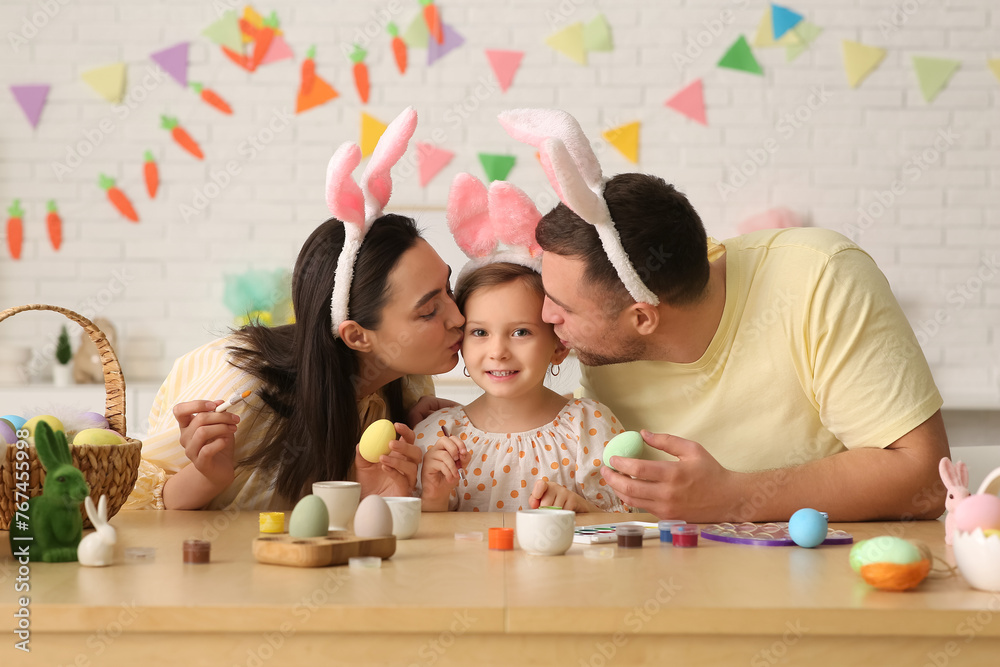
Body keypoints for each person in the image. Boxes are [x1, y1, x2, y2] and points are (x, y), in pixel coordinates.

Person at [498, 108, 950, 523]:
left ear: (643, 318)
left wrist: (733, 497)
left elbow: (925, 478)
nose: (544, 315)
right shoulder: (603, 351)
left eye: (564, 307)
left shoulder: (821, 279)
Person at [126, 108, 465, 511]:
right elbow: (129, 506)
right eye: (428, 311)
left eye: (447, 287)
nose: (458, 317)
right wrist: (204, 475)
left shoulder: (404, 385)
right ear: (356, 335)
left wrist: (389, 494)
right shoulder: (241, 394)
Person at [414, 174, 627, 513]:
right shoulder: (438, 435)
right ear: (461, 343)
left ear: (559, 345)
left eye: (520, 333)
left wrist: (582, 511)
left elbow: (625, 526)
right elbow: (422, 546)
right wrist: (435, 498)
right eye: (480, 333)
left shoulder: (589, 428)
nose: (498, 351)